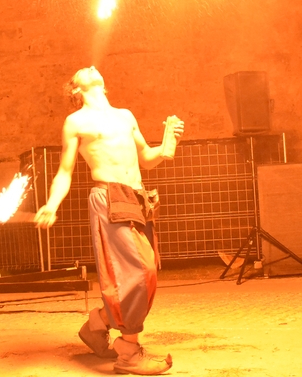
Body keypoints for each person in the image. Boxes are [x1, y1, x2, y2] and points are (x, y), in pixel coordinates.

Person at [35, 66, 183, 374]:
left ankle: (97, 323)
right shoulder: (75, 122)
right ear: (75, 90)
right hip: (109, 198)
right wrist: (51, 203)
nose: (90, 65)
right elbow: (65, 170)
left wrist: (166, 148)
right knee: (137, 273)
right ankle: (128, 353)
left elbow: (145, 158)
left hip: (137, 198)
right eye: (81, 71)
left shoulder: (125, 115)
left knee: (144, 272)